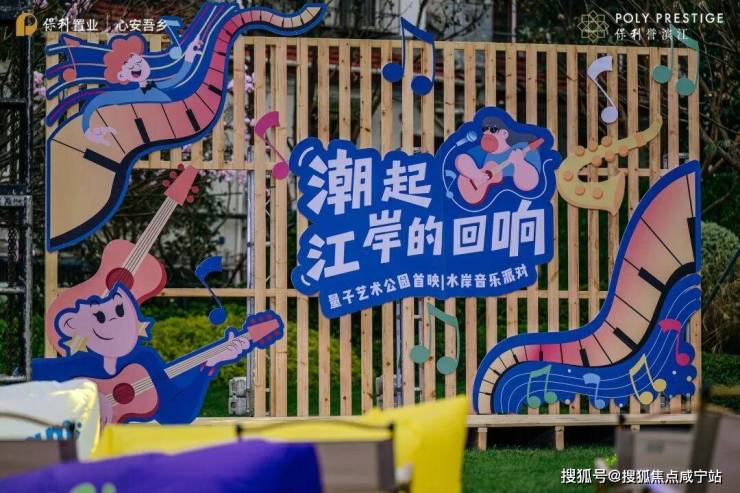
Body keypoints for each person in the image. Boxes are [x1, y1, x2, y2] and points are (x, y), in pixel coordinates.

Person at [32, 284, 249, 424]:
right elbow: (27, 374)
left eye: (120, 311)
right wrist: (86, 397)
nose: (114, 321)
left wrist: (208, 367)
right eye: (100, 317)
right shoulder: (80, 364)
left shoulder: (144, 362)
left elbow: (176, 414)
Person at [82, 34, 203, 146]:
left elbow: (177, 78)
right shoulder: (127, 95)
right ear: (122, 76)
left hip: (173, 124)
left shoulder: (154, 85)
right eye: (130, 67)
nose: (137, 67)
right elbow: (96, 102)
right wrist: (87, 131)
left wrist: (189, 56)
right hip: (149, 133)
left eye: (139, 61)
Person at [455, 117, 542, 195]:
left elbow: (530, 184)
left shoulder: (522, 148)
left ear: (504, 133)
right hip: (488, 200)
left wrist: (520, 163)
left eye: (493, 129)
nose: (487, 133)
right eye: (485, 129)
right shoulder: (482, 152)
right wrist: (476, 175)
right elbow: (461, 159)